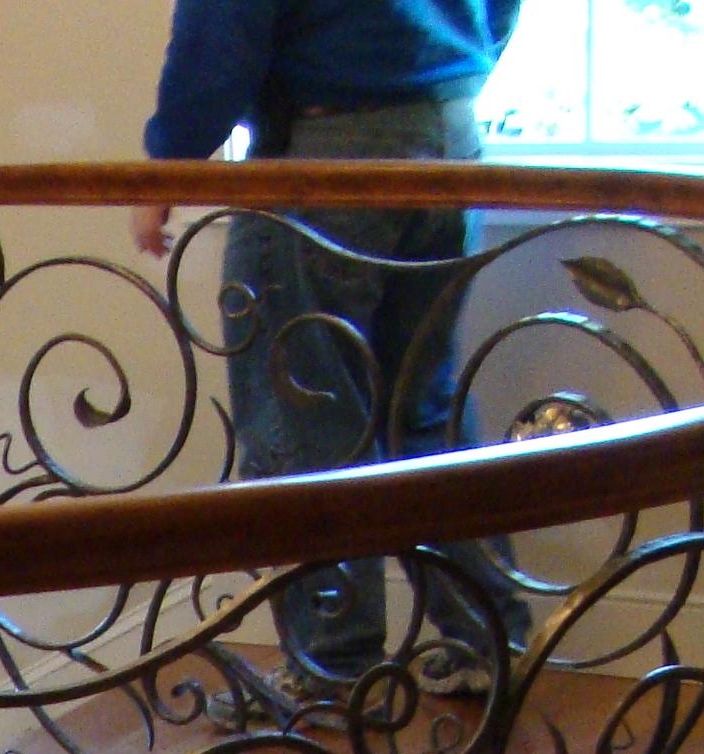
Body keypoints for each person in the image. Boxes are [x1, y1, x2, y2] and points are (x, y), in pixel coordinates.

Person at [130, 0, 533, 687]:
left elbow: (222, 34)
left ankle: (334, 672)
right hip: (450, 136)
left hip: (325, 149)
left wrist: (168, 165)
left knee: (306, 415)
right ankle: (491, 642)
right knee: (423, 407)